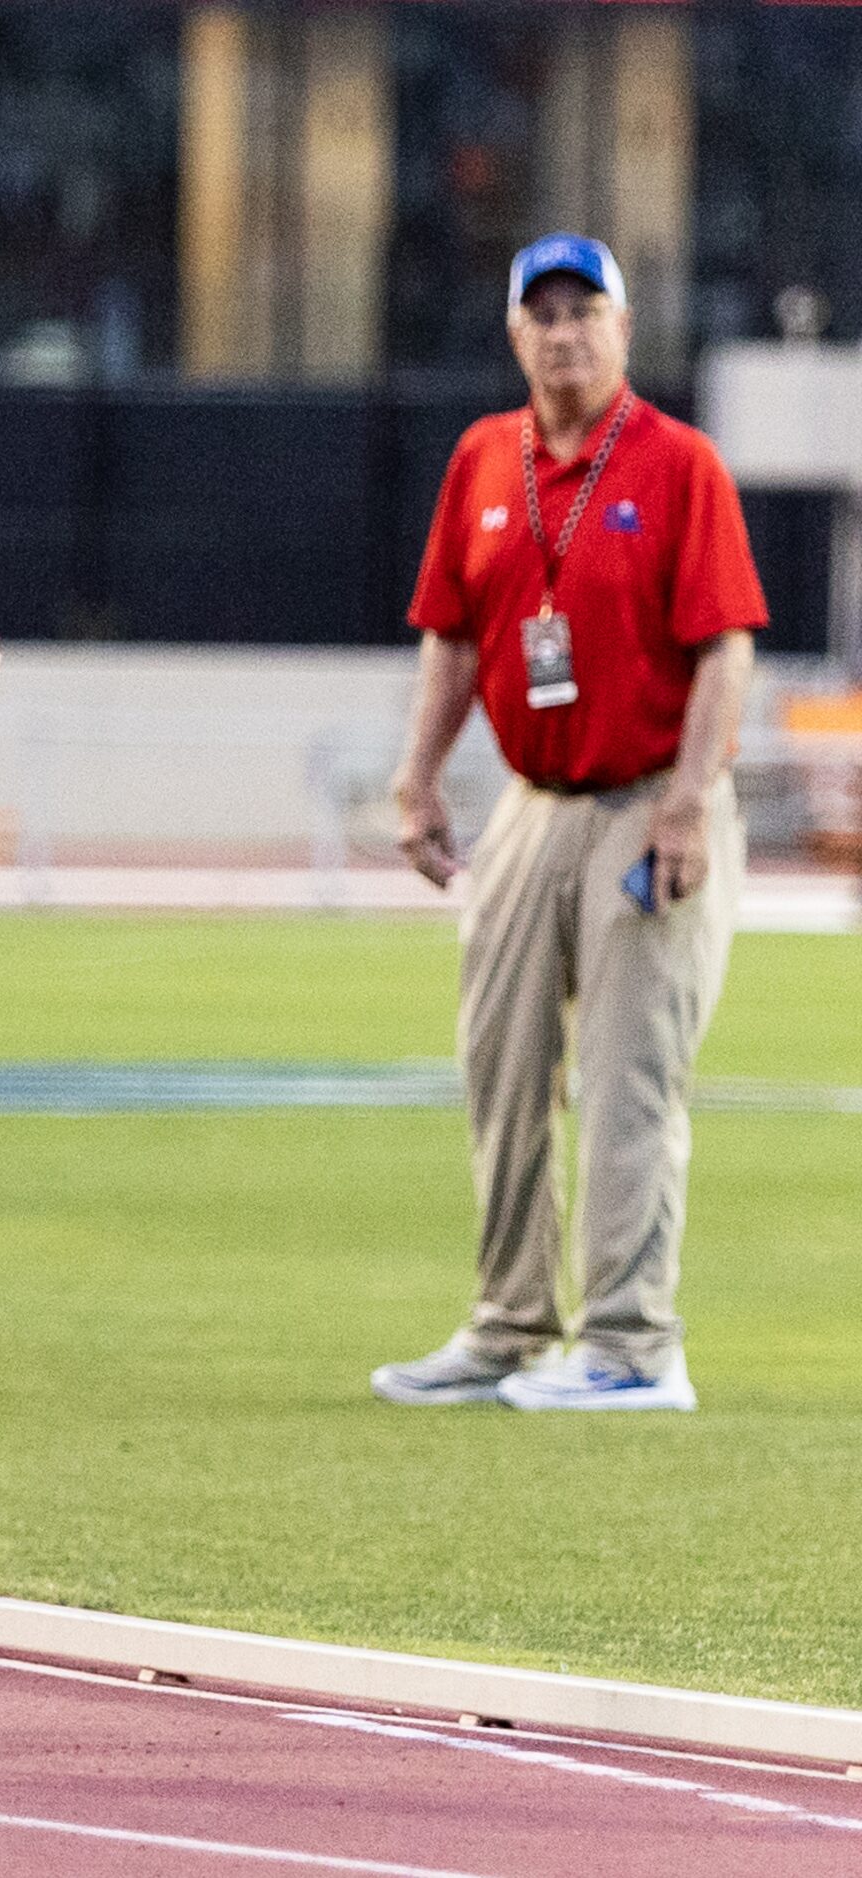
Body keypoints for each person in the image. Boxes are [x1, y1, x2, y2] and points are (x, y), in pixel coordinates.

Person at [374, 233, 765, 1413]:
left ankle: (632, 1345)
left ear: (622, 327)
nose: (560, 332)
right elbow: (450, 635)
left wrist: (687, 808)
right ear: (511, 334)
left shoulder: (674, 462)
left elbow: (724, 650)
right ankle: (506, 1324)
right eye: (538, 313)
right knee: (498, 1064)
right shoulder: (482, 460)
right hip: (530, 804)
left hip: (645, 796)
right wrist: (416, 777)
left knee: (625, 1074)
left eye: (581, 310)